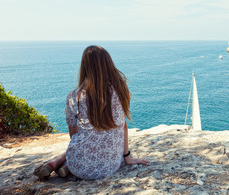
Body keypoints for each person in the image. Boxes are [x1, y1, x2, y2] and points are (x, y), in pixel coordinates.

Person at [34, 45, 149, 180]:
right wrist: (127, 157)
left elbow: (74, 136)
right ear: (108, 64)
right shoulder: (120, 90)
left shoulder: (74, 96)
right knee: (93, 144)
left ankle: (57, 164)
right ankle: (63, 166)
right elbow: (123, 125)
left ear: (85, 66)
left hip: (79, 166)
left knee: (83, 145)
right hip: (110, 166)